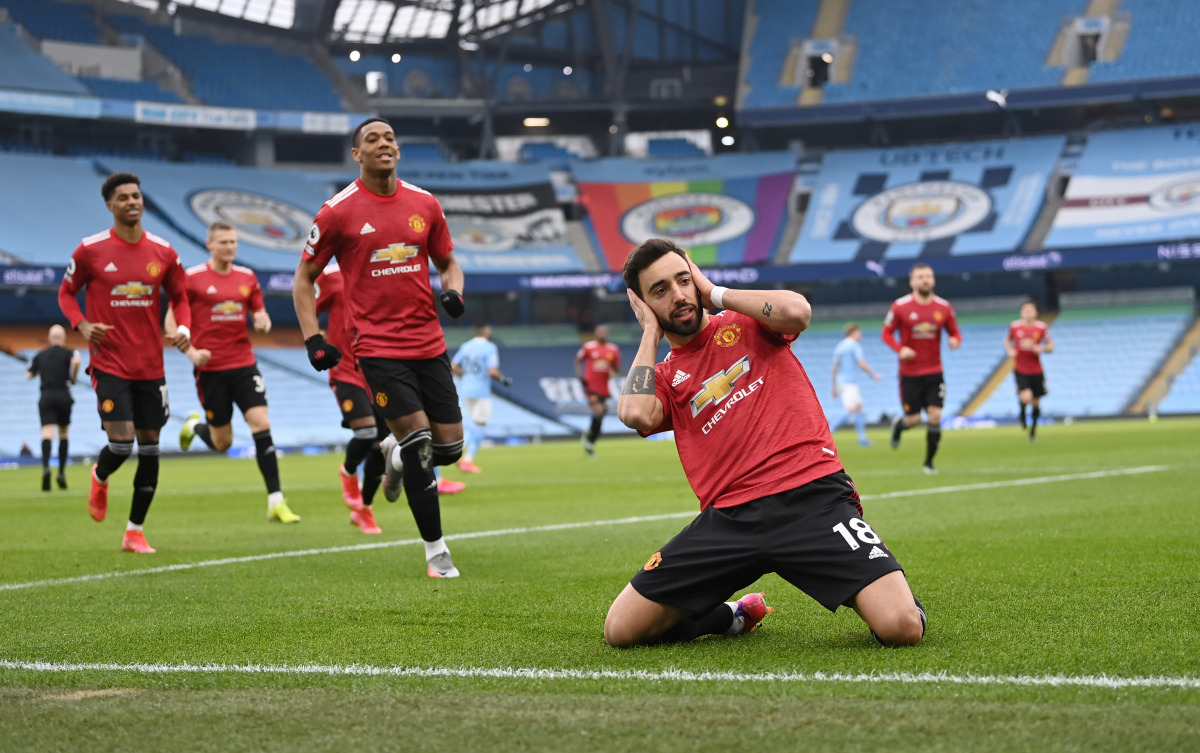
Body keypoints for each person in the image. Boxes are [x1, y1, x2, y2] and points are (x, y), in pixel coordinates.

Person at [606, 238, 924, 649]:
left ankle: (896, 595)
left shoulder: (747, 324)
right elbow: (634, 413)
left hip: (812, 500)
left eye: (683, 280)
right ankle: (732, 616)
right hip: (729, 521)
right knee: (622, 630)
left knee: (901, 628)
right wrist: (650, 331)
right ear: (643, 304)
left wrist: (715, 293)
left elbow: (798, 312)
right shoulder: (665, 378)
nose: (679, 295)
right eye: (660, 290)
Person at [293, 116, 467, 578]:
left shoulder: (425, 204)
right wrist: (314, 338)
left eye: (390, 137)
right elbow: (304, 278)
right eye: (372, 139)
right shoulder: (337, 211)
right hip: (377, 349)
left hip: (429, 344)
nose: (384, 143)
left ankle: (392, 455)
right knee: (421, 444)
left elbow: (449, 261)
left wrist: (453, 291)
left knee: (450, 449)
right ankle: (436, 552)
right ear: (358, 154)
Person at [57, 172, 192, 554]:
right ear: (110, 205)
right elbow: (67, 293)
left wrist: (182, 326)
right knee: (121, 444)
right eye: (123, 197)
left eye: (136, 195)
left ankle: (134, 531)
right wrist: (82, 324)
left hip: (151, 365)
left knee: (150, 448)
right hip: (110, 362)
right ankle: (100, 475)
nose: (132, 201)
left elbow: (180, 296)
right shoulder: (90, 250)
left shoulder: (164, 252)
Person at [313, 261, 465, 536]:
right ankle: (348, 472)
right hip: (347, 369)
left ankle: (364, 510)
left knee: (380, 444)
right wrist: (313, 336)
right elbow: (307, 303)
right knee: (367, 432)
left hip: (384, 368)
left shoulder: (383, 263)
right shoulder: (330, 276)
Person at [170, 222, 300, 523]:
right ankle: (194, 427)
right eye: (224, 242)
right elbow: (170, 321)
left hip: (243, 363)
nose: (230, 246)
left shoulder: (247, 277)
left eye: (233, 242)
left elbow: (258, 311)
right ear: (209, 245)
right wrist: (191, 353)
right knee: (222, 443)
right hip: (211, 370)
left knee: (260, 422)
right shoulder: (191, 279)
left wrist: (263, 320)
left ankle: (276, 501)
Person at [882, 263, 960, 474]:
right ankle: (900, 425)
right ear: (912, 281)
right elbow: (886, 334)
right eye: (921, 277)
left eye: (928, 276)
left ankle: (929, 463)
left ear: (933, 280)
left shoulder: (944, 307)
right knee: (914, 420)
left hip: (935, 371)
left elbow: (955, 332)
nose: (925, 280)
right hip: (910, 373)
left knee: (935, 416)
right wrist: (900, 349)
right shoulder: (899, 306)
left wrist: (954, 340)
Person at [450, 323, 512, 473]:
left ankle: (459, 455)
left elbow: (453, 365)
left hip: (466, 388)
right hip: (481, 390)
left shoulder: (466, 346)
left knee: (476, 423)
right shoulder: (489, 347)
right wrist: (504, 379)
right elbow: (492, 370)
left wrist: (465, 376)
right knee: (481, 423)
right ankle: (467, 458)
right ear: (486, 331)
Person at [25, 324, 81, 491]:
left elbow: (28, 374)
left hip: (46, 396)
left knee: (47, 434)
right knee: (63, 434)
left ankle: (46, 468)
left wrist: (38, 372)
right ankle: (61, 472)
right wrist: (73, 378)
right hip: (64, 395)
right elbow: (76, 362)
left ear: (49, 338)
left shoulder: (40, 355)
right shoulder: (70, 352)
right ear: (63, 338)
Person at [1005, 300, 1053, 442]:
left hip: (1036, 370)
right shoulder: (1014, 327)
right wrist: (1010, 350)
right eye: (1026, 310)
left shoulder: (1041, 328)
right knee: (1026, 396)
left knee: (1036, 402)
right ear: (1021, 313)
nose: (1028, 313)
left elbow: (1051, 346)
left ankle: (1033, 432)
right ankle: (1022, 413)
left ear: (1036, 313)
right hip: (1020, 369)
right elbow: (1007, 340)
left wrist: (1042, 348)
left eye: (1031, 310)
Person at [830, 322, 881, 447]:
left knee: (859, 407)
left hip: (842, 382)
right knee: (849, 410)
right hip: (849, 383)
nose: (860, 335)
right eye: (859, 332)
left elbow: (834, 367)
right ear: (853, 332)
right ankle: (828, 431)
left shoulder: (840, 346)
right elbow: (861, 363)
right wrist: (873, 374)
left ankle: (862, 438)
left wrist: (834, 386)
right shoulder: (854, 346)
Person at [575, 323, 620, 457]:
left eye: (604, 332)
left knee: (600, 416)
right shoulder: (588, 347)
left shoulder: (613, 349)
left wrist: (613, 371)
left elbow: (617, 367)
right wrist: (580, 377)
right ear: (596, 334)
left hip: (604, 389)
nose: (602, 334)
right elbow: (578, 361)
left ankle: (590, 437)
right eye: (600, 332)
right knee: (599, 411)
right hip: (591, 387)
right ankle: (589, 441)